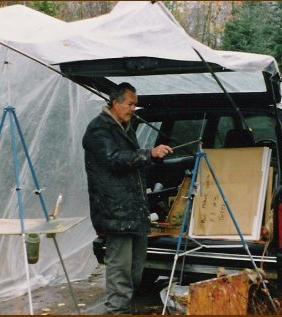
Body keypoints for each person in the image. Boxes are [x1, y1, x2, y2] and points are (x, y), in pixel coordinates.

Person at [82, 82, 173, 314]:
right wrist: (148, 153)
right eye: (130, 104)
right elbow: (113, 159)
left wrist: (151, 158)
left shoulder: (125, 126)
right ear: (115, 103)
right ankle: (117, 311)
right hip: (115, 212)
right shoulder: (98, 129)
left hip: (134, 212)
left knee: (135, 270)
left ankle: (125, 307)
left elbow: (131, 162)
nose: (134, 109)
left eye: (135, 105)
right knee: (120, 269)